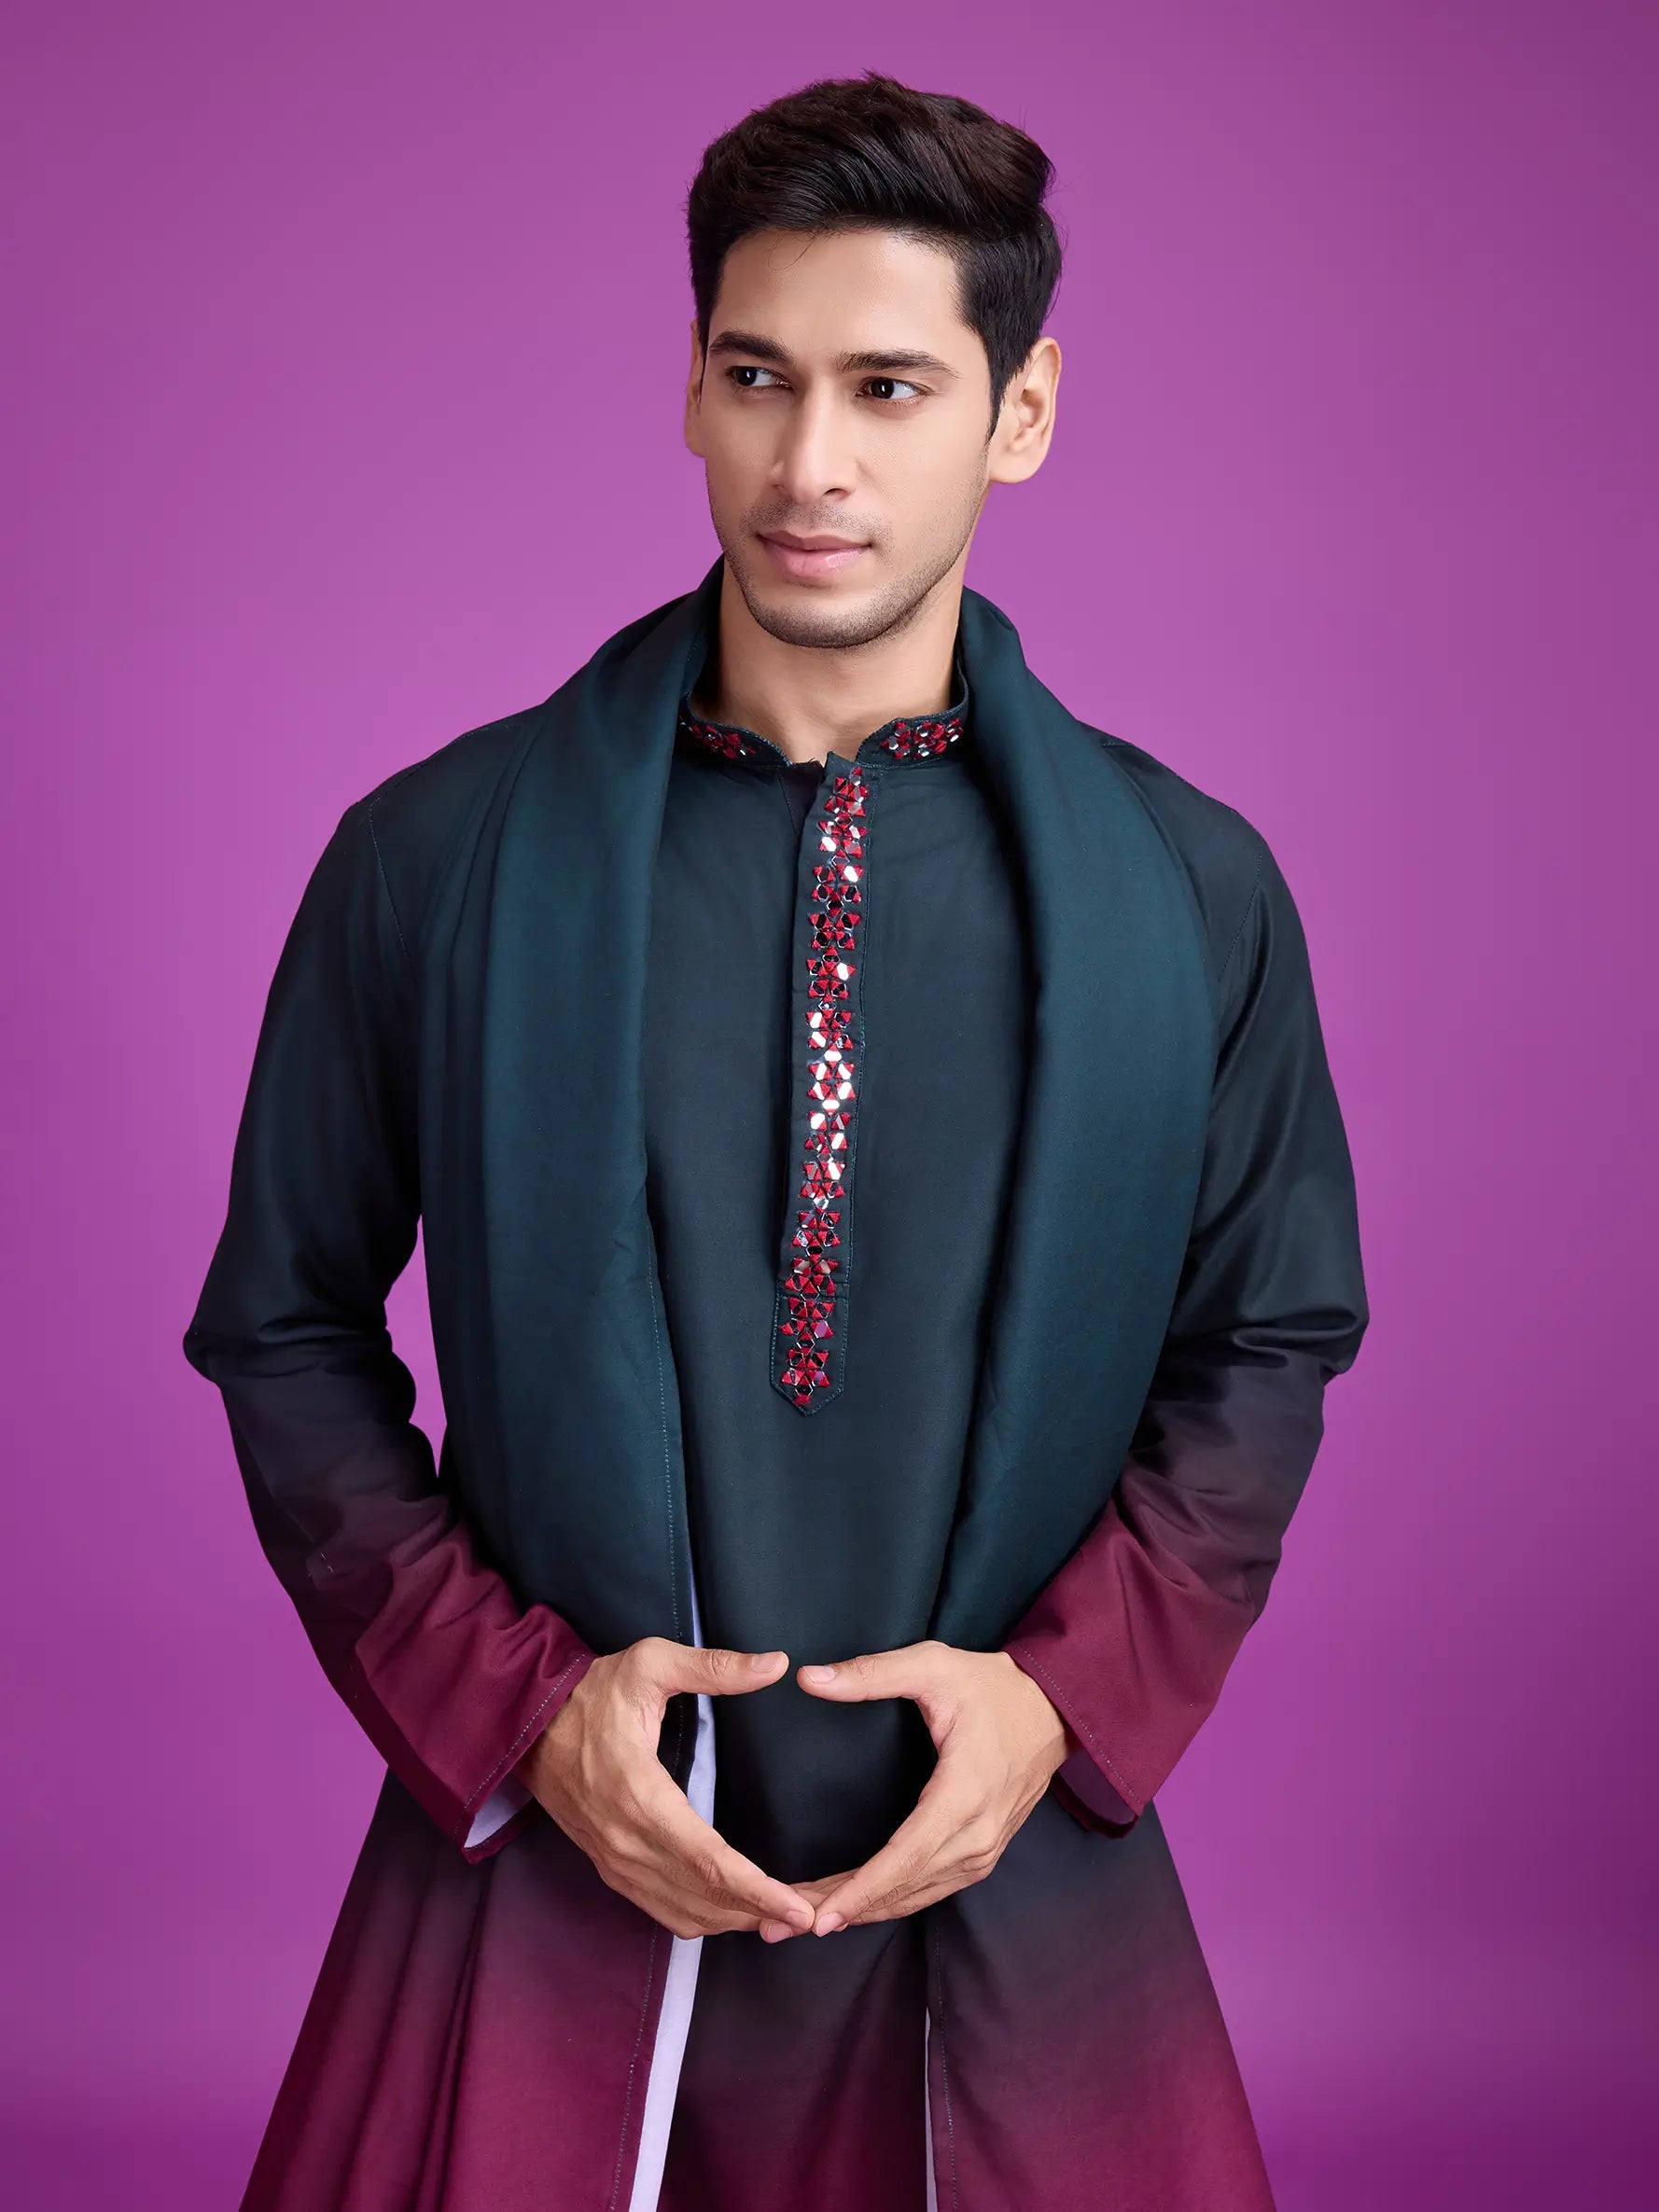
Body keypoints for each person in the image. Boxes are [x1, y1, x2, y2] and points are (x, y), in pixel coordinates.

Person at [182, 68, 1369, 2212]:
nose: (809, 461)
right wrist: (514, 1711)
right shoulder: (440, 860)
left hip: (1011, 1876)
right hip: (546, 1874)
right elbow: (282, 1322)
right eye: (757, 376)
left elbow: (1264, 1334)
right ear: (694, 389)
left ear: (1018, 413)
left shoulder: (1188, 894)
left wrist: (1061, 1707)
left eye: (888, 388)